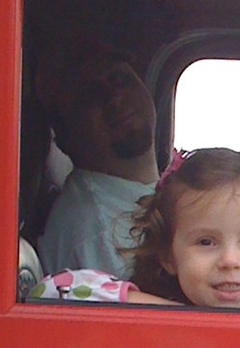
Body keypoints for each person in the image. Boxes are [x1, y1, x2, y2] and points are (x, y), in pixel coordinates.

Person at [34, 148, 240, 313]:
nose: (230, 260)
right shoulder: (150, 307)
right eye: (206, 242)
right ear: (168, 256)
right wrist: (173, 317)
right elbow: (53, 290)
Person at [34, 47, 160, 279]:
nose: (114, 98)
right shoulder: (95, 226)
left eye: (120, 80)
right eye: (90, 95)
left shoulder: (133, 194)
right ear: (64, 137)